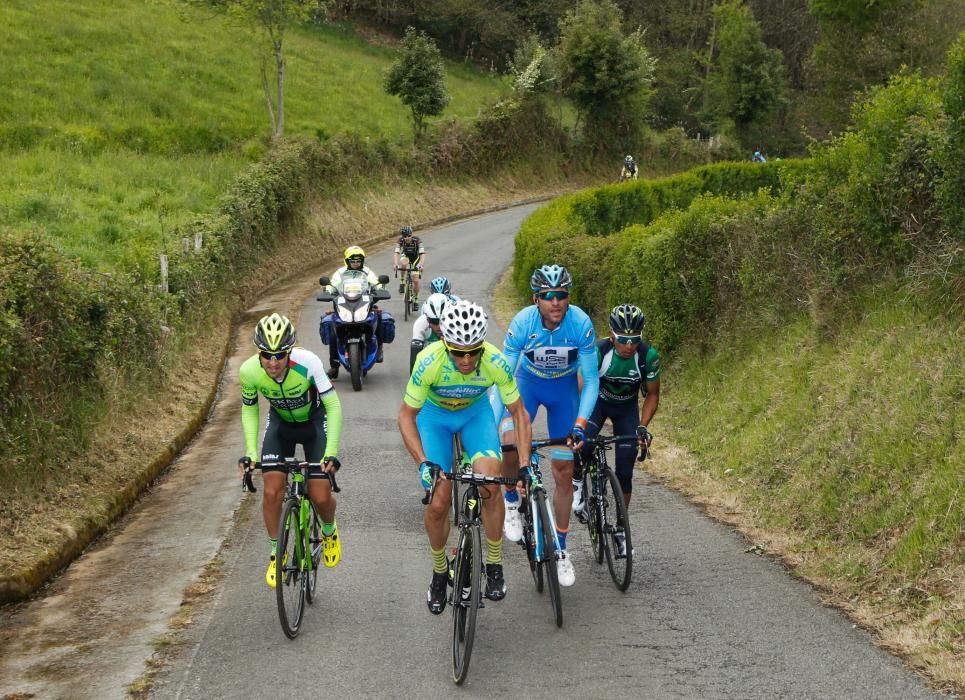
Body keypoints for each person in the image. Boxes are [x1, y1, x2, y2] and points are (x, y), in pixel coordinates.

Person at [398, 300, 533, 614]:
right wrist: (423, 462)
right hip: (435, 420)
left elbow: (519, 413)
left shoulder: (495, 361)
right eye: (458, 352)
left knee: (490, 483)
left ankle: (495, 564)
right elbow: (406, 416)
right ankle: (438, 570)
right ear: (445, 343)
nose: (467, 359)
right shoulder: (429, 361)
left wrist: (525, 465)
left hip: (475, 417)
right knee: (438, 500)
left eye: (474, 351)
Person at [493, 264, 599, 587]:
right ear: (536, 299)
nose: (556, 302)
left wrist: (580, 424)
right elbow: (503, 377)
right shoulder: (523, 323)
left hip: (563, 392)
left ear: (568, 298)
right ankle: (511, 498)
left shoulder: (580, 323)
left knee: (565, 472)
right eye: (548, 296)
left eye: (562, 295)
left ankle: (562, 550)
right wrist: (493, 422)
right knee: (510, 442)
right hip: (527, 386)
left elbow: (592, 381)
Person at [238, 313, 343, 588]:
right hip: (281, 427)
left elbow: (333, 406)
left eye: (280, 355)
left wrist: (331, 452)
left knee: (320, 496)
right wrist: (251, 453)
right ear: (259, 353)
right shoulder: (249, 371)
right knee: (272, 490)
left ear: (290, 351)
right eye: (267, 355)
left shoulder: (308, 364)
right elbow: (249, 410)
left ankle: (329, 532)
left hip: (314, 424)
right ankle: (276, 552)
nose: (273, 363)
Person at [574, 304, 660, 557]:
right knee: (585, 443)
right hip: (597, 404)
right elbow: (581, 388)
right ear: (612, 335)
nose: (629, 346)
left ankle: (621, 530)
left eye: (635, 340)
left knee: (625, 469)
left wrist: (642, 426)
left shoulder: (647, 357)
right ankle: (578, 482)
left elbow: (653, 395)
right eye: (623, 340)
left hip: (626, 410)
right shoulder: (599, 352)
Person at [324, 245, 386, 378]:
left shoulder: (367, 272)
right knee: (333, 331)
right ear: (347, 261)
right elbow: (331, 286)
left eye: (358, 261)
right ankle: (334, 366)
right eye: (353, 261)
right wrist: (327, 292)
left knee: (379, 317)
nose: (356, 263)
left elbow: (377, 283)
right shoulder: (340, 273)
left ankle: (380, 348)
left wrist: (380, 289)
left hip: (363, 304)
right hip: (344, 306)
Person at [409, 292, 449, 372]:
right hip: (428, 363)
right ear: (428, 320)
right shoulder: (420, 323)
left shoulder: (455, 323)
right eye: (434, 322)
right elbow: (414, 361)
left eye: (442, 321)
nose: (439, 327)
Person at [393, 225, 425, 307]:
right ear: (402, 236)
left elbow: (422, 254)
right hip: (406, 256)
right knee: (403, 263)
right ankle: (402, 281)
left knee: (416, 281)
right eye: (405, 236)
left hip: (415, 259)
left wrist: (421, 265)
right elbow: (396, 253)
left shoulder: (417, 240)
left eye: (409, 236)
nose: (407, 238)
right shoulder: (400, 241)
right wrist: (396, 264)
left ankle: (416, 299)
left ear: (412, 235)